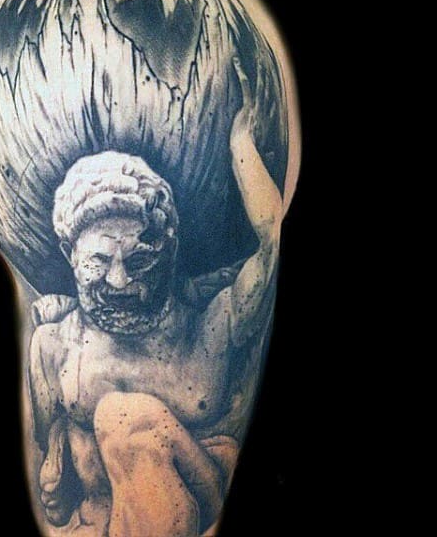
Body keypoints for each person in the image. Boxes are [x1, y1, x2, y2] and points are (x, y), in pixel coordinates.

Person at [29, 58, 282, 537]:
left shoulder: (210, 327)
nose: (120, 281)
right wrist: (59, 456)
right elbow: (54, 494)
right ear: (69, 254)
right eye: (98, 262)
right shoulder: (53, 347)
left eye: (140, 261)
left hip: (194, 511)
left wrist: (240, 145)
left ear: (169, 252)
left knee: (124, 417)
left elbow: (272, 244)